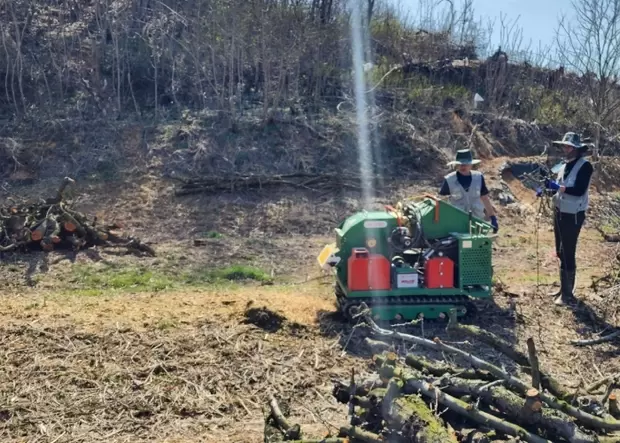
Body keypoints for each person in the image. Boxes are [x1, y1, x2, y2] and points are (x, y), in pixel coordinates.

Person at [537, 132, 593, 306]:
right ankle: (564, 288)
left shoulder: (585, 166)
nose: (566, 149)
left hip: (573, 214)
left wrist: (558, 188)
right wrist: (547, 189)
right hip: (560, 211)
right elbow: (559, 187)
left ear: (577, 149)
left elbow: (578, 190)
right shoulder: (563, 166)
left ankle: (568, 295)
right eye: (565, 146)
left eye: (569, 146)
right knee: (560, 250)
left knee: (568, 251)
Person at [439, 149, 498, 232]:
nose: (463, 166)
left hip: (477, 220)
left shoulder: (478, 177)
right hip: (457, 222)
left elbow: (484, 198)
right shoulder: (449, 180)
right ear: (456, 165)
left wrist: (493, 217)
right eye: (461, 164)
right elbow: (442, 202)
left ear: (471, 164)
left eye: (466, 164)